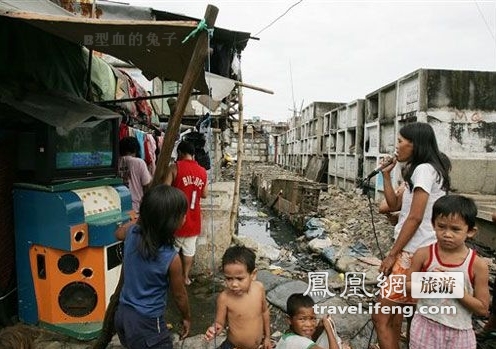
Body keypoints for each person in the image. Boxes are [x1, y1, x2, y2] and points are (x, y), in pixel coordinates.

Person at [371, 122, 451, 349]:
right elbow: (395, 204)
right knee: (401, 315)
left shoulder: (424, 169)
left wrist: (391, 255)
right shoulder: (421, 170)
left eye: (400, 141)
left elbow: (414, 218)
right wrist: (387, 175)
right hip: (421, 250)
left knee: (381, 315)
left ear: (415, 144)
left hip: (413, 251)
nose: (396, 147)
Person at [114, 184, 191, 349]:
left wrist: (140, 220)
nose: (185, 217)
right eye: (182, 214)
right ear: (171, 222)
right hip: (147, 324)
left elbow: (118, 233)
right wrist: (186, 317)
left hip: (123, 314)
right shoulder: (172, 258)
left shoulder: (132, 232)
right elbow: (180, 295)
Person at [407, 195, 490, 349]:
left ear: (471, 231)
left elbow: (482, 309)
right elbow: (406, 286)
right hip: (425, 326)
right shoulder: (424, 254)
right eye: (441, 226)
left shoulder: (477, 265)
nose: (447, 234)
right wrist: (430, 284)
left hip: (459, 333)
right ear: (433, 225)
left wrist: (455, 289)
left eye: (455, 229)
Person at [204, 245, 271, 349]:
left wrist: (267, 337)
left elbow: (264, 312)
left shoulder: (259, 288)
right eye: (229, 279)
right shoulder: (224, 298)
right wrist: (214, 329)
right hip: (234, 346)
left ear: (253, 274)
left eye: (239, 279)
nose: (234, 284)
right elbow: (219, 323)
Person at [165, 140, 208, 285]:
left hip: (176, 217)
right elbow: (204, 194)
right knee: (189, 251)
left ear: (180, 153)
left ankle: (172, 278)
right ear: (193, 154)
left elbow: (165, 189)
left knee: (172, 251)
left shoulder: (174, 167)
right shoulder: (202, 171)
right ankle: (185, 277)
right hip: (194, 217)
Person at [275, 293, 341, 349]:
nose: (309, 324)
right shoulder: (298, 342)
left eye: (312, 318)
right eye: (302, 319)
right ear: (289, 320)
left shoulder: (289, 335)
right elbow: (306, 342)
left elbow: (310, 339)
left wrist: (320, 328)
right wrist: (329, 329)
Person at [118, 136, 152, 213]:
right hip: (136, 207)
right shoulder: (139, 162)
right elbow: (147, 184)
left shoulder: (116, 162)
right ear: (135, 149)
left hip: (120, 206)